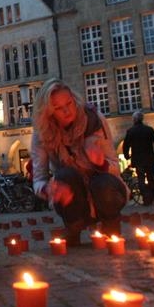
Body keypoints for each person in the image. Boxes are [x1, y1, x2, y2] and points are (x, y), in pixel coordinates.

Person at [31, 79, 128, 245]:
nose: (67, 111)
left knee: (102, 183)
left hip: (103, 190)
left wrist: (100, 163)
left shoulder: (94, 121)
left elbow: (115, 167)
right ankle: (73, 226)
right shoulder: (42, 134)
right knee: (64, 176)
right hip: (74, 195)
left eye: (69, 103)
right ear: (48, 112)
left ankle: (111, 223)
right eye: (58, 108)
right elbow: (38, 178)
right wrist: (49, 189)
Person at [122, 111, 154, 206]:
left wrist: (126, 155)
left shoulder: (131, 131)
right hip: (149, 158)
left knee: (141, 179)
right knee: (151, 178)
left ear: (134, 120)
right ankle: (151, 197)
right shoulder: (149, 130)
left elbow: (126, 145)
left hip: (138, 160)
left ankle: (146, 198)